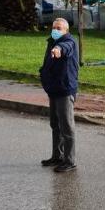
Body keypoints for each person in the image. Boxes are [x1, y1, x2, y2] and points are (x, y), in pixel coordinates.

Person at [38, 16, 78, 172]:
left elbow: (65, 47)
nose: (55, 30)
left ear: (66, 30)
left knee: (67, 127)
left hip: (65, 90)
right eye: (54, 27)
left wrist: (58, 49)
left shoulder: (69, 42)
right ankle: (57, 156)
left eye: (59, 28)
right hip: (54, 89)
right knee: (55, 125)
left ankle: (70, 161)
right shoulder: (52, 41)